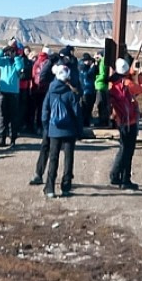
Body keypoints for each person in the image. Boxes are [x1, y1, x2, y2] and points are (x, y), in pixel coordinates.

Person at [41, 63, 83, 198]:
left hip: (54, 130)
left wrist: (47, 127)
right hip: (69, 130)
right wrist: (79, 130)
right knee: (68, 158)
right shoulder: (70, 93)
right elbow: (77, 112)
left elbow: (45, 110)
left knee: (53, 158)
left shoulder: (51, 90)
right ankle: (66, 186)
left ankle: (50, 188)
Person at [108, 56, 142, 189]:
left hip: (120, 119)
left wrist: (131, 72)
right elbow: (141, 88)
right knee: (128, 151)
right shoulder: (128, 84)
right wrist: (140, 75)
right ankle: (125, 179)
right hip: (130, 120)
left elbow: (123, 77)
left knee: (123, 148)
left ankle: (115, 175)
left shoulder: (113, 82)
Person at [0, 39, 26, 147]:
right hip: (2, 91)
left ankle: (12, 138)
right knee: (2, 115)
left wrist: (16, 56)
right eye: (10, 50)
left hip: (13, 92)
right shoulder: (4, 60)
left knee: (13, 116)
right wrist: (3, 50)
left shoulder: (19, 60)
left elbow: (20, 68)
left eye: (13, 50)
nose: (11, 52)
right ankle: (1, 138)